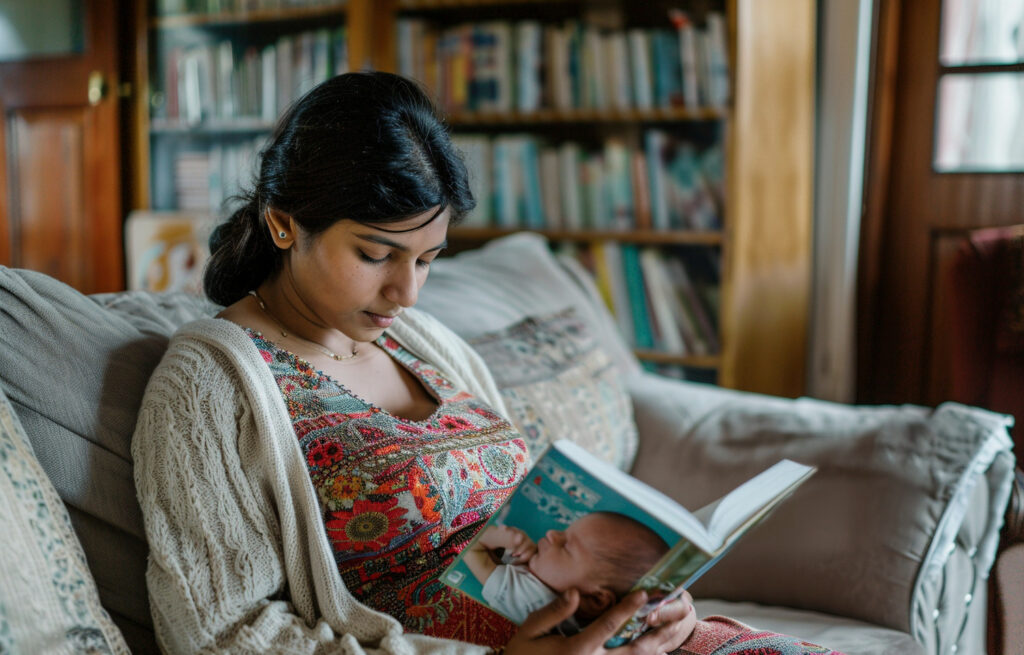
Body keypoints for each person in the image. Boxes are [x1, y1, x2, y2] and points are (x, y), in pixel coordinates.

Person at [132, 71, 843, 655]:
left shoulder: (425, 343)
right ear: (284, 221)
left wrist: (646, 605)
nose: (405, 291)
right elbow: (219, 635)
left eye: (428, 260)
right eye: (376, 254)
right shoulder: (208, 386)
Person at [464, 513, 670, 629]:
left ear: (597, 600)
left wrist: (503, 539)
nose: (552, 534)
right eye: (563, 533)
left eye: (566, 546)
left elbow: (471, 550)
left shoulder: (532, 599)